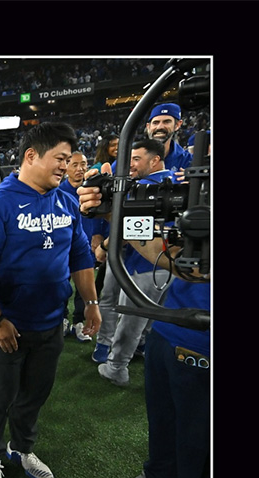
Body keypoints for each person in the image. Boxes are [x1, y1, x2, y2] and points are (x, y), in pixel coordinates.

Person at [0, 122, 101, 478]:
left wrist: (89, 303)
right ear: (31, 156)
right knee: (0, 396)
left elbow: (80, 255)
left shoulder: (66, 200)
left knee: (36, 393)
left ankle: (21, 449)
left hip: (50, 322)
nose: (66, 166)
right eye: (60, 159)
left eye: (69, 159)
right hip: (5, 323)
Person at [77, 182, 209, 478]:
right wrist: (115, 209)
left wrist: (119, 214)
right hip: (192, 335)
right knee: (196, 441)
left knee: (177, 428)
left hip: (176, 328)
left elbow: (187, 265)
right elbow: (185, 264)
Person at [92, 139, 173, 386]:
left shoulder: (147, 187)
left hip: (142, 265)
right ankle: (133, 347)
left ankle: (116, 367)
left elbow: (129, 230)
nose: (130, 165)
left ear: (155, 160)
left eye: (136, 159)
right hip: (168, 267)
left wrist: (104, 247)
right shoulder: (178, 183)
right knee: (147, 317)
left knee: (131, 318)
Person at [58, 150, 99, 342]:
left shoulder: (93, 189)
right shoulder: (57, 192)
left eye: (83, 164)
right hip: (64, 248)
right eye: (74, 164)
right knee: (62, 284)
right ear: (65, 167)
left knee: (85, 284)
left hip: (87, 246)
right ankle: (63, 318)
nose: (80, 169)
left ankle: (79, 321)